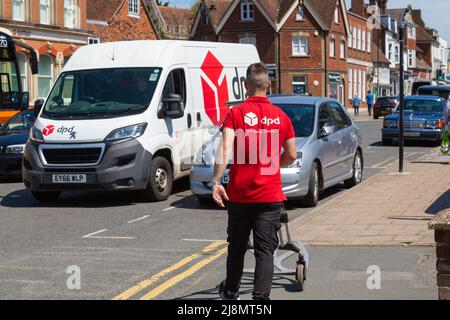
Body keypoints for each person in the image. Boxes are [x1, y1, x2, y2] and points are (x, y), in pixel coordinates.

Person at [211, 63, 297, 300]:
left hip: (239, 196)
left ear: (246, 85)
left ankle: (230, 292)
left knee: (237, 248)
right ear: (268, 85)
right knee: (265, 252)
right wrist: (271, 164)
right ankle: (260, 300)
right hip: (269, 196)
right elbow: (290, 155)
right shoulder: (281, 117)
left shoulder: (235, 113)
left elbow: (225, 147)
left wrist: (216, 181)